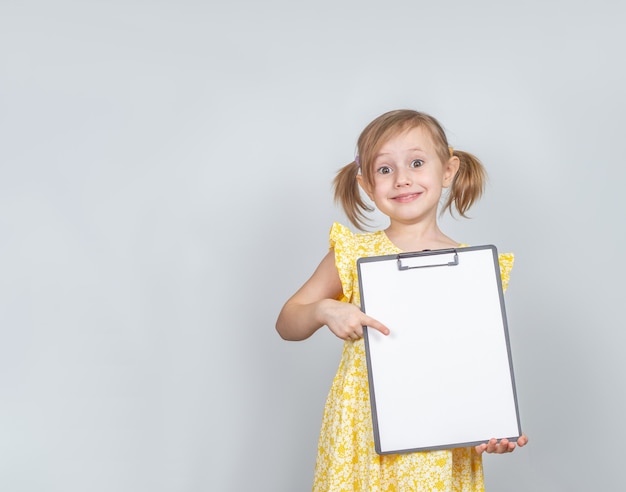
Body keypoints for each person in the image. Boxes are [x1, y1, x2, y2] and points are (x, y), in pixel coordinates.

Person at [275, 109, 528, 491]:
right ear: (365, 183)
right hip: (363, 435)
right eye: (385, 169)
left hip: (441, 440)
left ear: (448, 170)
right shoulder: (352, 255)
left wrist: (491, 424)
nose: (402, 179)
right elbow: (287, 322)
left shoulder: (474, 269)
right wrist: (325, 309)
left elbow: (476, 359)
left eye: (416, 162)